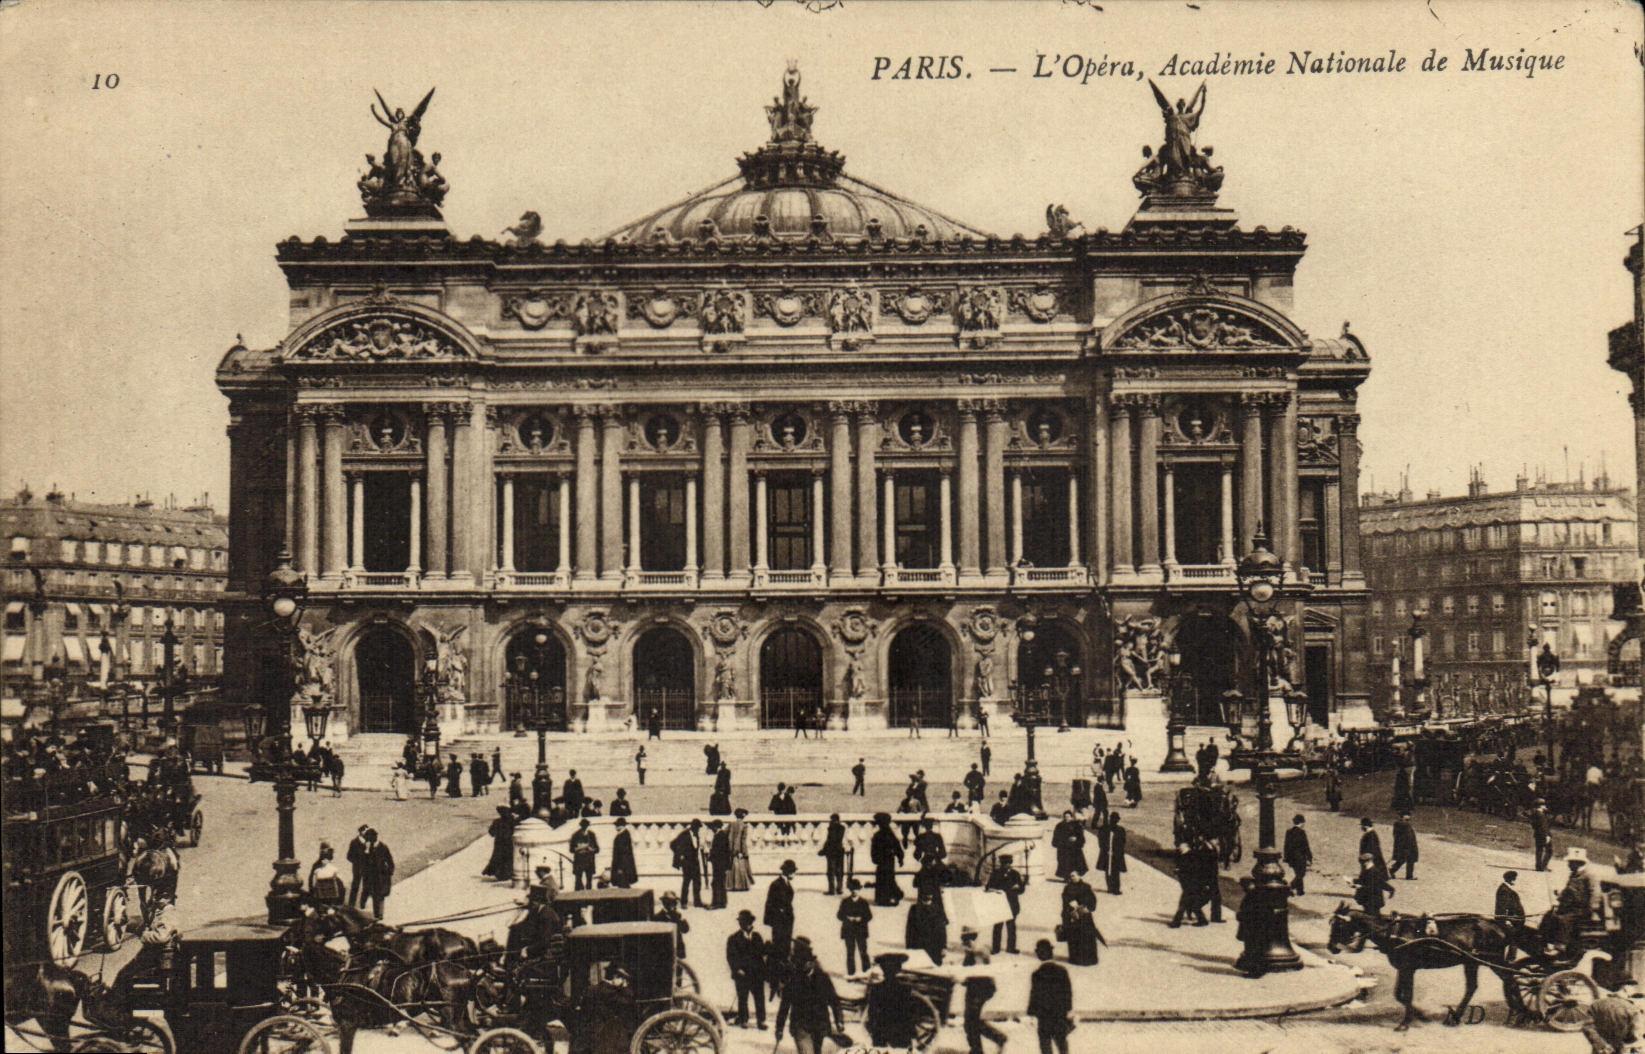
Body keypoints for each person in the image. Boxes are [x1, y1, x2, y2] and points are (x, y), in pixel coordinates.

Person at [774, 937, 844, 1054]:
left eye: (807, 963)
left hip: (820, 1025)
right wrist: (779, 1028)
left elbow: (834, 1001)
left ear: (812, 963)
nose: (805, 966)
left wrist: (839, 1020)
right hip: (800, 1026)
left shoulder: (823, 978)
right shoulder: (794, 979)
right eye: (801, 963)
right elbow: (785, 1005)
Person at [958, 928, 1006, 1054]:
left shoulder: (978, 951)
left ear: (972, 938)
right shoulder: (974, 951)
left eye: (966, 939)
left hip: (979, 990)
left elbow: (978, 972)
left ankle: (979, 1048)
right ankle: (984, 1045)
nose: (963, 942)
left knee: (971, 1022)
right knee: (971, 1021)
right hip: (976, 989)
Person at [1547, 846, 1605, 949]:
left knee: (1564, 919)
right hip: (1571, 907)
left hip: (1582, 909)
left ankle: (1561, 945)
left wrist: (1593, 910)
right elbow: (1569, 890)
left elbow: (1595, 892)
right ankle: (1547, 940)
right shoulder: (1574, 874)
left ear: (1577, 863)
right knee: (1551, 915)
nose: (1568, 865)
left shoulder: (1589, 875)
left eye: (1570, 863)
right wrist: (1560, 895)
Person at [865, 953, 921, 1049]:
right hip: (900, 1032)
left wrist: (872, 1029)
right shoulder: (905, 989)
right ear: (898, 969)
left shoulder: (876, 989)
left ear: (883, 970)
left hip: (881, 1031)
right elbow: (910, 1013)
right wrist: (912, 1032)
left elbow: (872, 1013)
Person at [1028, 939, 1074, 1054]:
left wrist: (1031, 1013)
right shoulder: (1062, 971)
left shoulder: (1037, 974)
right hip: (1059, 1015)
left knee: (1045, 1045)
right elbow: (1067, 993)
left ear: (1038, 954)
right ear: (1051, 952)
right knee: (1062, 1044)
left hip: (1044, 1018)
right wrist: (1067, 1010)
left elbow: (1034, 996)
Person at [726, 909, 767, 1029]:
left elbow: (761, 953)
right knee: (742, 997)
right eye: (743, 922)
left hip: (756, 974)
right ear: (740, 924)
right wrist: (737, 969)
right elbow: (731, 957)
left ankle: (761, 1020)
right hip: (742, 974)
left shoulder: (757, 937)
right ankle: (743, 1019)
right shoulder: (733, 938)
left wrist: (767, 948)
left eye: (748, 922)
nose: (747, 925)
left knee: (759, 997)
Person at [1060, 871, 1103, 965]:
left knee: (1087, 938)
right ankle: (1076, 959)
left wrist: (1088, 908)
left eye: (1074, 875)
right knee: (1075, 938)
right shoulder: (1067, 888)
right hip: (1074, 917)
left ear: (1079, 876)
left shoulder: (1086, 887)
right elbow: (1064, 901)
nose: (1073, 878)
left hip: (1085, 917)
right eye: (1071, 876)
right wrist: (1069, 906)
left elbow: (1092, 900)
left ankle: (1089, 959)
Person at [987, 852, 1026, 954]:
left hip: (1012, 904)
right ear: (1001, 863)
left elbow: (1022, 889)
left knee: (1011, 927)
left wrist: (1018, 887)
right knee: (997, 927)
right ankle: (996, 948)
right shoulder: (995, 873)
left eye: (1008, 863)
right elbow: (988, 887)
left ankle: (1011, 948)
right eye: (1004, 863)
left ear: (1011, 863)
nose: (1006, 865)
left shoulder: (1015, 874)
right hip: (999, 904)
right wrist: (995, 890)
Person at [905, 880, 948, 965]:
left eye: (930, 896)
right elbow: (910, 930)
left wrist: (943, 947)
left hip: (934, 947)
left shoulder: (937, 910)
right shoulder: (914, 909)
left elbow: (942, 930)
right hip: (919, 946)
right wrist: (909, 947)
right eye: (926, 896)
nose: (928, 898)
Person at [765, 859, 798, 969]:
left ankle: (783, 963)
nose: (794, 874)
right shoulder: (778, 884)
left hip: (786, 919)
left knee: (785, 942)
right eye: (793, 872)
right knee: (780, 942)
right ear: (788, 872)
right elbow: (776, 903)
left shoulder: (784, 883)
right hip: (780, 920)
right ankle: (780, 965)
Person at [838, 877, 873, 974]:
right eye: (852, 889)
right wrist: (847, 918)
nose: (854, 891)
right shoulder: (845, 902)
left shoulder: (863, 902)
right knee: (850, 953)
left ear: (859, 890)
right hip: (848, 931)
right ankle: (851, 973)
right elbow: (839, 915)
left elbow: (869, 916)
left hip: (861, 931)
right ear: (850, 890)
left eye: (856, 889)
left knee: (863, 952)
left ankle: (866, 971)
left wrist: (861, 919)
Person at [358, 827, 395, 919]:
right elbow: (364, 862)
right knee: (375, 895)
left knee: (381, 895)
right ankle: (377, 915)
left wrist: (389, 872)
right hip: (372, 876)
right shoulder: (368, 849)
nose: (368, 842)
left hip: (382, 876)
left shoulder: (383, 847)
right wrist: (366, 852)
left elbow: (390, 860)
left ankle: (380, 915)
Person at [870, 812, 904, 906]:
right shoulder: (890, 834)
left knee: (883, 878)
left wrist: (875, 858)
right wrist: (900, 857)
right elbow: (897, 847)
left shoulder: (878, 835)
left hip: (883, 860)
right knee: (888, 878)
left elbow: (874, 849)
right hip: (888, 859)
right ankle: (892, 896)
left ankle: (885, 898)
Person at [1169, 843, 1206, 927]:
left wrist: (1179, 870)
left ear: (1186, 847)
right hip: (1190, 884)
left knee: (1183, 904)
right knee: (1193, 904)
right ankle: (1202, 920)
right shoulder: (1185, 855)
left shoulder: (1189, 856)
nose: (1179, 847)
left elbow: (1191, 870)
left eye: (1181, 846)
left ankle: (1176, 922)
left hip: (1190, 884)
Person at [671, 818, 705, 908]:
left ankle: (697, 902)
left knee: (697, 882)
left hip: (695, 862)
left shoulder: (696, 835)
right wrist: (680, 854)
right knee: (686, 882)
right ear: (693, 827)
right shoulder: (684, 834)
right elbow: (673, 844)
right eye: (697, 828)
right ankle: (683, 902)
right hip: (687, 862)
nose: (698, 830)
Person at [1052, 810, 1087, 880]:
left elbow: (1081, 836)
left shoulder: (1076, 825)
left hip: (1074, 848)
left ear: (1071, 817)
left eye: (1068, 816)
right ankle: (1066, 877)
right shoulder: (1060, 826)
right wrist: (1063, 841)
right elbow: (1056, 837)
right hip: (1063, 848)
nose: (1067, 818)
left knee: (1075, 863)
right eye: (1065, 817)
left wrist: (1076, 839)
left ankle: (1074, 877)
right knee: (1065, 863)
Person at [1283, 814, 1313, 896]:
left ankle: (1300, 891)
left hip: (1292, 857)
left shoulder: (1289, 832)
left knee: (1298, 873)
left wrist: (1286, 857)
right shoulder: (1302, 832)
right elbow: (1305, 846)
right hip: (1300, 857)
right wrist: (1310, 857)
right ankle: (1289, 887)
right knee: (1301, 874)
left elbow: (1286, 845)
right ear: (1302, 823)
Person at [654, 890, 689, 957]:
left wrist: (681, 919)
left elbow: (685, 930)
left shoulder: (677, 915)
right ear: (664, 903)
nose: (673, 905)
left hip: (678, 949)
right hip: (664, 951)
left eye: (674, 902)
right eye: (670, 902)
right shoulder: (658, 917)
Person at [484, 805, 516, 880]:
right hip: (509, 842)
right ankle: (508, 873)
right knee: (508, 857)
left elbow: (491, 833)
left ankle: (500, 874)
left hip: (499, 843)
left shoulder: (497, 821)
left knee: (498, 857)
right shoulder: (512, 821)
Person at [727, 807, 754, 892]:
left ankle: (731, 885)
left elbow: (728, 837)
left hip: (731, 850)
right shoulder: (744, 825)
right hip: (739, 850)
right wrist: (742, 851)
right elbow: (742, 839)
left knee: (732, 868)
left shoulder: (731, 824)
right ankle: (740, 885)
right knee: (740, 868)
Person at [821, 813, 848, 894]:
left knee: (831, 871)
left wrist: (824, 850)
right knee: (839, 871)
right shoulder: (842, 828)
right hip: (839, 850)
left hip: (832, 851)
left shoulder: (832, 828)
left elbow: (830, 840)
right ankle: (839, 888)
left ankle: (832, 890)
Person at [346, 824, 371, 909]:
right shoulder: (354, 842)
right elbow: (349, 856)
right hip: (357, 868)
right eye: (365, 831)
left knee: (366, 887)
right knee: (355, 886)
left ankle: (362, 905)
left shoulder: (369, 842)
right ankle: (351, 905)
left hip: (367, 869)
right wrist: (357, 861)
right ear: (361, 832)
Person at [569, 818, 599, 891]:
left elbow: (597, 849)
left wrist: (592, 849)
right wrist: (579, 848)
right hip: (579, 861)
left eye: (586, 826)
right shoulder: (575, 835)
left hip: (589, 860)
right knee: (578, 880)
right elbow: (571, 849)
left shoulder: (591, 835)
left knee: (589, 880)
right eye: (583, 826)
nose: (585, 827)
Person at [708, 819, 731, 909]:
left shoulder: (720, 836)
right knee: (720, 883)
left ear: (715, 827)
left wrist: (711, 856)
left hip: (719, 864)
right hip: (721, 864)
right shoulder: (722, 835)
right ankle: (722, 902)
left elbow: (719, 851)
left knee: (716, 883)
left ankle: (716, 903)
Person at [1102, 813, 1127, 895]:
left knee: (1116, 871)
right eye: (1112, 819)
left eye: (1116, 819)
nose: (1114, 821)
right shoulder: (1105, 829)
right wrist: (1106, 849)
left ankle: (1116, 888)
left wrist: (1116, 851)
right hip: (1107, 853)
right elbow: (1101, 841)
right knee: (1108, 871)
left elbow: (1122, 842)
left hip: (1117, 855)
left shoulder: (1120, 830)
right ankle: (1109, 887)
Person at [610, 816, 637, 889]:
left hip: (623, 866)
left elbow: (622, 853)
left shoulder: (623, 836)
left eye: (616, 825)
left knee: (623, 885)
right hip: (624, 866)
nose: (615, 827)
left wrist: (620, 867)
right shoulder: (624, 834)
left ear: (620, 826)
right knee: (623, 884)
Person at [1391, 812, 1419, 880]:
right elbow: (1405, 836)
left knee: (1403, 860)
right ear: (1402, 816)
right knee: (1407, 860)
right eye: (1407, 815)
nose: (1409, 816)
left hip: (1407, 845)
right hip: (1406, 846)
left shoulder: (1403, 824)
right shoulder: (1402, 824)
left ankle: (1391, 871)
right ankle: (1408, 875)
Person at [1532, 799, 1554, 872]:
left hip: (1537, 834)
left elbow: (1534, 825)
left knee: (1539, 850)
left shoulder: (1535, 814)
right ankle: (1543, 866)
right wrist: (1546, 835)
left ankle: (1538, 866)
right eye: (1544, 805)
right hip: (1544, 835)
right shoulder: (1541, 815)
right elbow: (1543, 826)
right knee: (1549, 851)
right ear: (1541, 806)